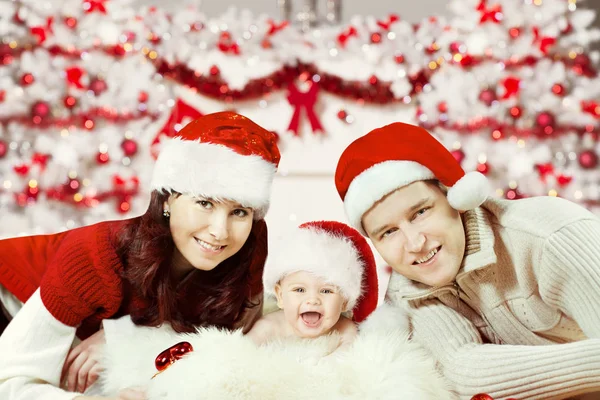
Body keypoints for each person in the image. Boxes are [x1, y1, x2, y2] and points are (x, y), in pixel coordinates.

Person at [0, 111, 281, 400]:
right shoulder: (97, 254)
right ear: (169, 198)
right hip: (11, 303)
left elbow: (224, 340)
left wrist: (121, 340)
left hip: (93, 324)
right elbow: (10, 382)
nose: (220, 232)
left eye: (239, 211)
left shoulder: (249, 241)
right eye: (205, 203)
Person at [334, 121, 600, 399]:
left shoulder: (552, 236)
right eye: (389, 232)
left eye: (420, 212)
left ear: (453, 196)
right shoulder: (406, 295)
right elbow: (464, 372)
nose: (414, 243)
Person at [247, 220, 379, 351]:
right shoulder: (270, 326)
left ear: (344, 301)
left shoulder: (345, 330)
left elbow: (349, 358)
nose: (312, 300)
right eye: (299, 290)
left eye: (326, 291)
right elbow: (241, 353)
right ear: (281, 296)